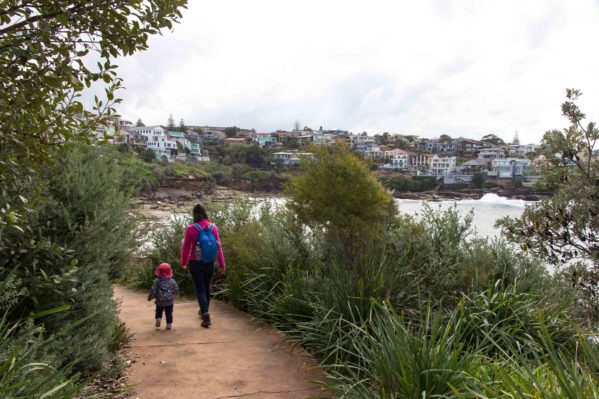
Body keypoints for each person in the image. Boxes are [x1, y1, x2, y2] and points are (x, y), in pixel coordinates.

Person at [181, 203, 226, 328]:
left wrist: (184, 262)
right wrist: (222, 264)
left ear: (194, 214)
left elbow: (186, 248)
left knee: (200, 289)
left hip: (195, 262)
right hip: (209, 262)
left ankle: (205, 315)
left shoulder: (191, 228)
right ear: (205, 213)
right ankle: (204, 310)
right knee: (206, 287)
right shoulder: (213, 227)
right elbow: (219, 247)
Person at [148, 262, 179, 330]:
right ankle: (169, 324)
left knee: (159, 310)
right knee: (169, 312)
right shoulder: (172, 281)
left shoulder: (157, 281)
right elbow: (176, 288)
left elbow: (153, 289)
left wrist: (150, 297)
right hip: (169, 301)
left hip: (159, 300)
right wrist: (176, 294)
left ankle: (158, 319)